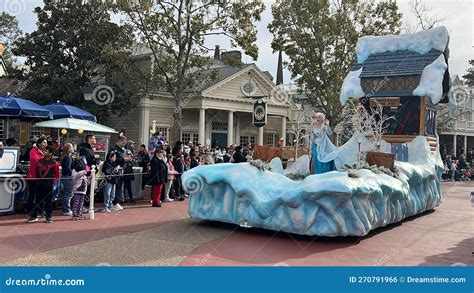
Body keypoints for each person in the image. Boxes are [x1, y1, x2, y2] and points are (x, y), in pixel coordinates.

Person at [27, 146, 59, 223]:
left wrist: (53, 182)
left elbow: (57, 175)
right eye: (44, 150)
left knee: (48, 201)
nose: (44, 152)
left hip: (48, 185)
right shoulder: (39, 161)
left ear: (50, 153)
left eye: (46, 151)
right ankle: (33, 216)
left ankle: (48, 217)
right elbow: (35, 171)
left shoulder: (54, 163)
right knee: (37, 200)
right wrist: (35, 179)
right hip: (39, 184)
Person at [27, 137, 47, 215]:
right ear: (39, 144)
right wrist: (42, 156)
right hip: (33, 176)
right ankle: (31, 210)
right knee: (33, 194)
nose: (45, 144)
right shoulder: (33, 151)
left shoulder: (44, 151)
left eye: (46, 143)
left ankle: (40, 210)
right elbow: (36, 161)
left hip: (42, 176)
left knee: (41, 194)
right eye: (44, 143)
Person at [109, 136, 128, 210]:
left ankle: (117, 201)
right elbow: (112, 158)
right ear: (119, 141)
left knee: (119, 187)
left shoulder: (123, 149)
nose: (124, 144)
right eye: (123, 142)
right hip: (115, 170)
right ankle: (113, 202)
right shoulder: (113, 148)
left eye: (125, 143)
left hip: (122, 170)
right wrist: (123, 159)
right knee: (115, 188)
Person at [60, 143, 75, 216]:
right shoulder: (68, 158)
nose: (72, 148)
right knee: (68, 194)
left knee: (67, 193)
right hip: (67, 177)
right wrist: (73, 173)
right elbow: (67, 168)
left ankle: (65, 209)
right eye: (71, 147)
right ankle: (66, 209)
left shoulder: (66, 157)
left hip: (65, 177)